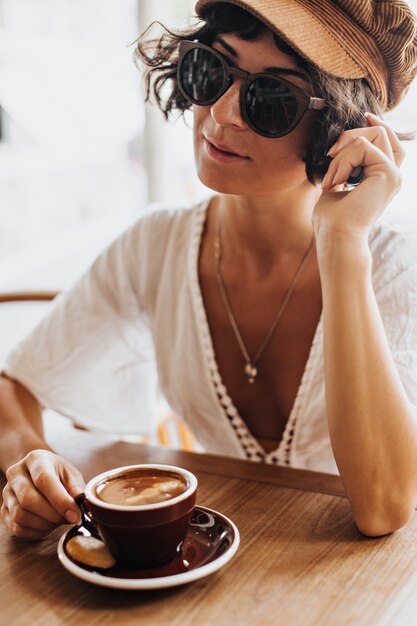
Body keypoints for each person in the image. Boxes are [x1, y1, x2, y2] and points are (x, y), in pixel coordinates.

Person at [1, 0, 417, 540]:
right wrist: (30, 463)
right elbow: (14, 388)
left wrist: (341, 243)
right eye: (211, 69)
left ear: (340, 129)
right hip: (215, 570)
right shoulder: (157, 245)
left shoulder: (392, 268)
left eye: (270, 99)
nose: (221, 114)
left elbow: (383, 508)